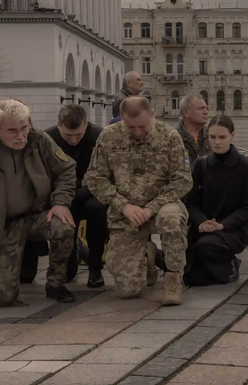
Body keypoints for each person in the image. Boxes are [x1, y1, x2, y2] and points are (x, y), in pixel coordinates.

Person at [85, 97, 193, 305]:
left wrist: (152, 208)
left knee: (171, 219)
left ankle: (172, 277)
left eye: (142, 126)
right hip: (126, 211)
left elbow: (183, 180)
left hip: (161, 204)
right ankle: (148, 255)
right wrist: (122, 205)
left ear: (152, 114)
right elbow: (95, 178)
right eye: (130, 126)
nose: (136, 131)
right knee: (127, 290)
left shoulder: (169, 137)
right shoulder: (109, 137)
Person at [0, 100, 77, 305]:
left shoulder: (39, 140)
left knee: (63, 226)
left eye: (24, 128)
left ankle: (55, 283)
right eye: (12, 131)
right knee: (4, 297)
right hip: (5, 223)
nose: (21, 136)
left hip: (36, 215)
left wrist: (61, 202)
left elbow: (66, 170)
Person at [184, 116, 248, 286]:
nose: (216, 142)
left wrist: (222, 225)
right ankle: (220, 264)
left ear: (232, 136)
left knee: (205, 246)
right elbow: (191, 202)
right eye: (212, 137)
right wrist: (201, 222)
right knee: (190, 277)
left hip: (233, 228)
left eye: (222, 137)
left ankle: (230, 262)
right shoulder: (201, 165)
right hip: (205, 227)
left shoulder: (245, 165)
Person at [42, 105, 107, 288]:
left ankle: (95, 268)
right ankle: (72, 254)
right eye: (68, 135)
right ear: (58, 125)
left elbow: (104, 176)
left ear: (86, 125)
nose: (73, 140)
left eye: (78, 135)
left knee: (97, 209)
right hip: (62, 197)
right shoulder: (48, 139)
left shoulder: (98, 137)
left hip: (90, 195)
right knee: (68, 274)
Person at [177, 95, 211, 167]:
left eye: (206, 108)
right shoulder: (172, 139)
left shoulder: (212, 136)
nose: (206, 112)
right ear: (186, 112)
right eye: (200, 108)